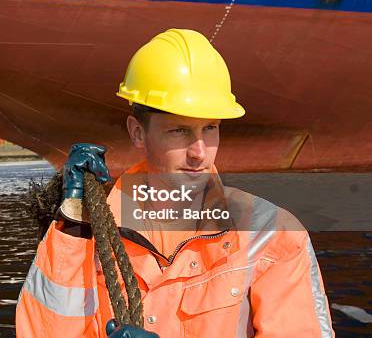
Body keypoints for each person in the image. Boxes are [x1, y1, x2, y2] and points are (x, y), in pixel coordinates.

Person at [16, 29, 334, 337]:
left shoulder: (272, 234)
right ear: (138, 132)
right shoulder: (86, 233)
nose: (199, 153)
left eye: (210, 128)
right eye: (179, 131)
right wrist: (71, 226)